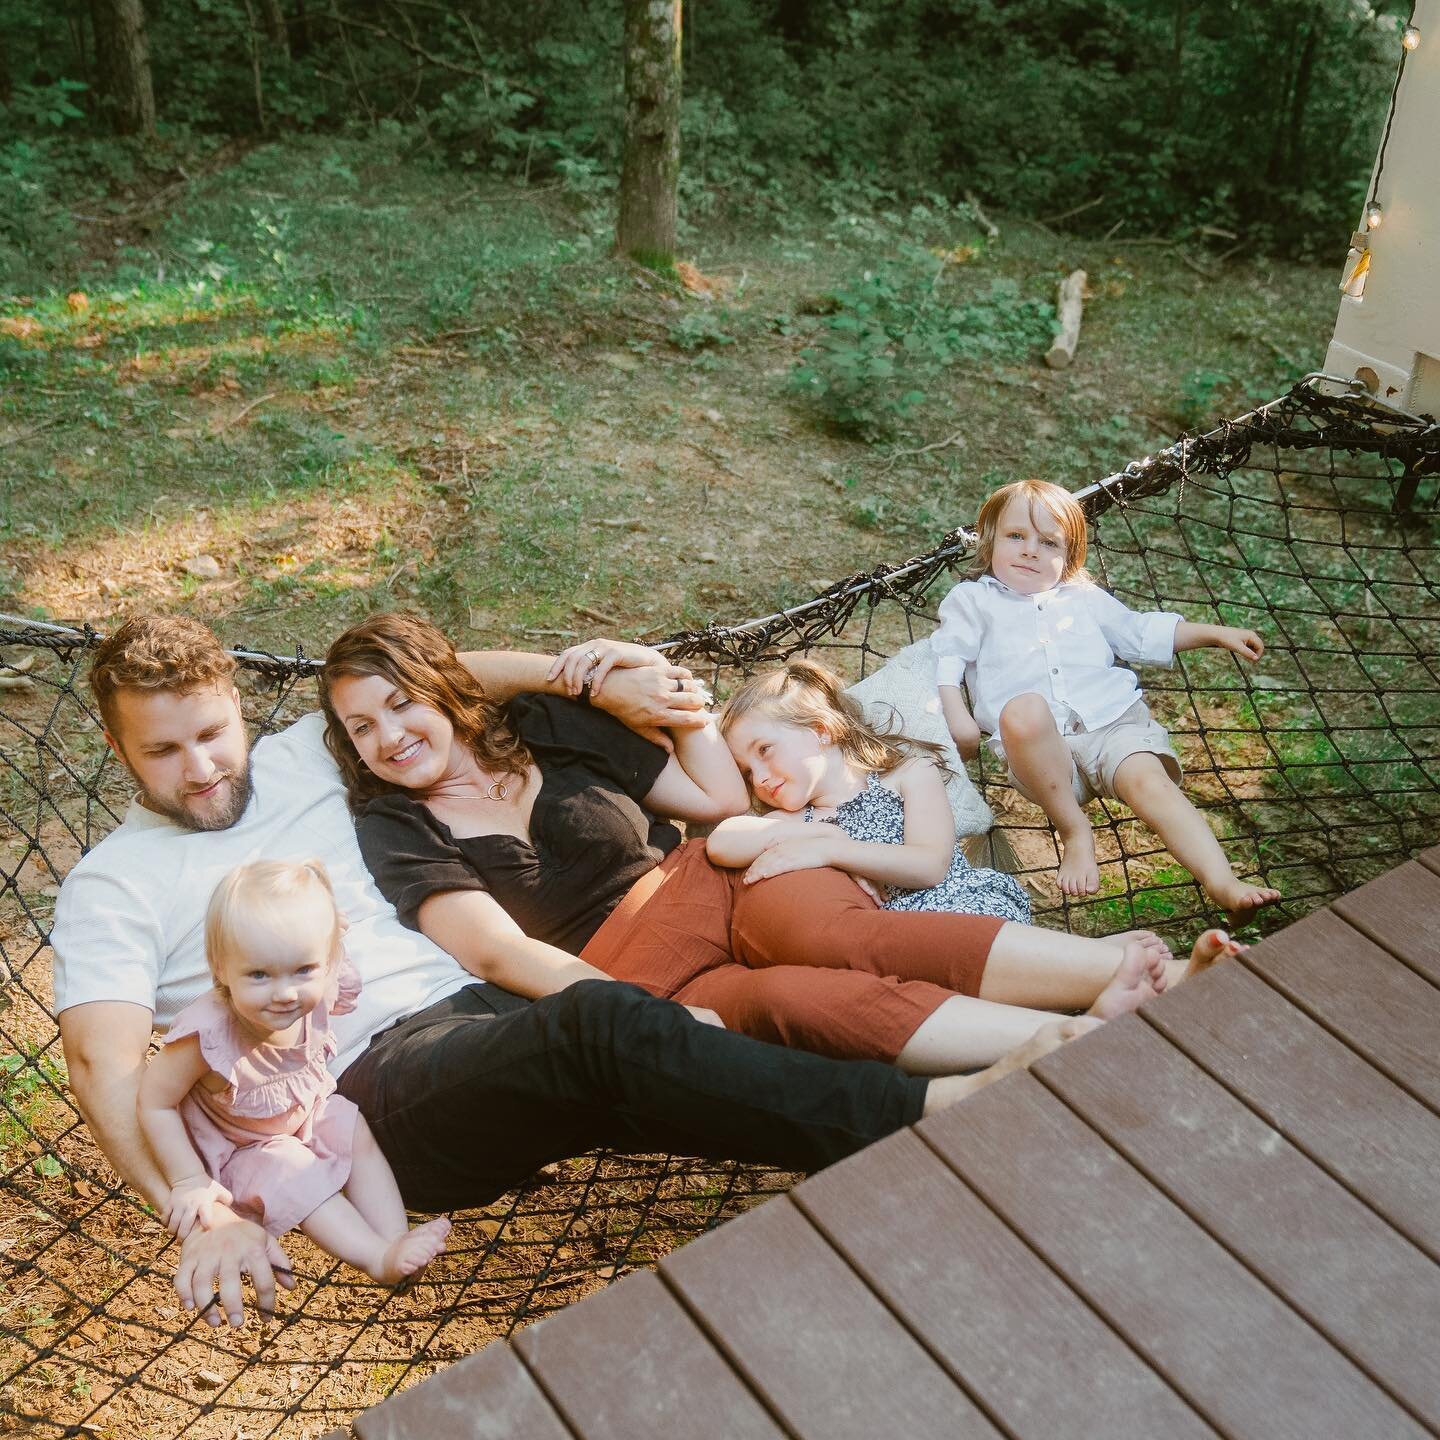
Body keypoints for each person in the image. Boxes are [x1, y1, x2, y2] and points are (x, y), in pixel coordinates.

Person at [52, 613, 1120, 1332]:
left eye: (212, 734)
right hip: (376, 1092)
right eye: (163, 753)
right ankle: (932, 1104)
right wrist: (198, 1206)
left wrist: (597, 660)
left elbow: (443, 686)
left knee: (735, 863)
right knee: (606, 1023)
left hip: (493, 1010)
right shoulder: (115, 883)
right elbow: (105, 1074)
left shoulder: (309, 749)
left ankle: (1092, 978)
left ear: (239, 708)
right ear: (116, 745)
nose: (202, 769)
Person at [320, 612, 1232, 1080]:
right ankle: (1086, 997)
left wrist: (657, 678)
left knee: (817, 975)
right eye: (361, 729)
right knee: (806, 963)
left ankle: (1083, 1012)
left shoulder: (547, 726)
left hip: (708, 879)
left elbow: (715, 797)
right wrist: (637, 1013)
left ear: (445, 691)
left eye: (403, 703)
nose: (390, 736)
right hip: (620, 973)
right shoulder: (392, 823)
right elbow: (500, 951)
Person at [934, 478, 1282, 916]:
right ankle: (1075, 831)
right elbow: (945, 660)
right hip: (1042, 757)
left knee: (1147, 781)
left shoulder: (1082, 598)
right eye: (1016, 537)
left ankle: (1223, 881)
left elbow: (1140, 633)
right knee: (1024, 709)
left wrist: (1216, 633)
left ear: (1069, 555)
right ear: (990, 540)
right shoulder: (973, 600)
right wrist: (959, 718)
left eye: (1048, 543)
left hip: (1112, 725)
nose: (1030, 551)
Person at [137, 859, 452, 1284]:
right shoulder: (208, 1036)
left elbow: (329, 952)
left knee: (351, 1125)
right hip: (241, 1151)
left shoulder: (322, 982)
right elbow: (155, 1101)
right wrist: (188, 1178)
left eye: (304, 969)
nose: (285, 993)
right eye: (259, 975)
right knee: (294, 1171)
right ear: (220, 970)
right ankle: (378, 1258)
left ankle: (396, 1239)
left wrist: (328, 936)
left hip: (304, 1113)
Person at [707, 657, 1032, 927]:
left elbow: (929, 865)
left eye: (764, 750)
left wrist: (832, 851)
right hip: (882, 938)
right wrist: (825, 835)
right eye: (747, 772)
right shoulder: (796, 820)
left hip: (961, 910)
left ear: (821, 731)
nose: (759, 779)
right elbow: (722, 841)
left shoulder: (908, 775)